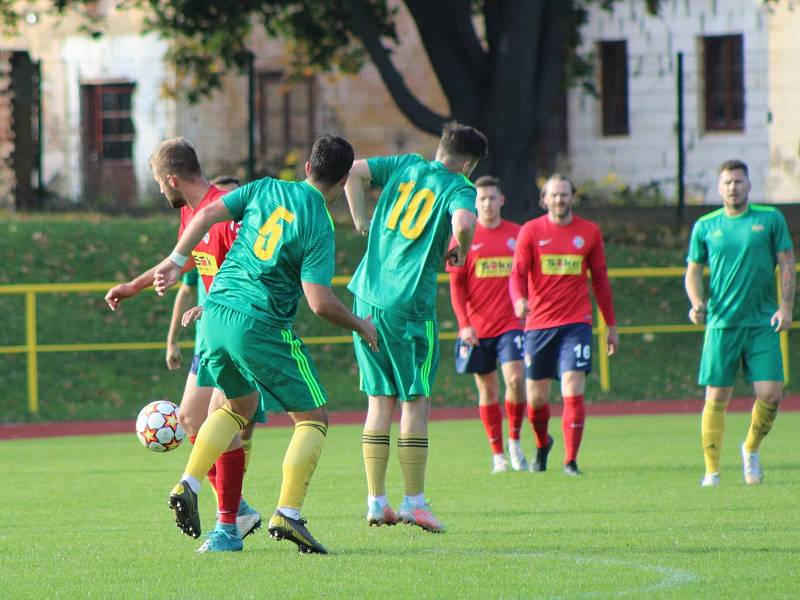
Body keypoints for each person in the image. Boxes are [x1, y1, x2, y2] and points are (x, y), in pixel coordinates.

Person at [152, 134, 378, 555]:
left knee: (238, 408)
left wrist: (175, 260)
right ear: (345, 177)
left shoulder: (265, 187)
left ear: (308, 165)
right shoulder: (319, 225)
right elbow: (319, 302)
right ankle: (287, 514)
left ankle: (190, 481)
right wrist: (360, 324)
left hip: (215, 314)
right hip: (259, 323)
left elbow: (203, 216)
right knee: (313, 419)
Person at [105, 141, 260, 553]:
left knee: (219, 422)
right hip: (212, 334)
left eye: (159, 183)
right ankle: (238, 507)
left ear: (172, 179)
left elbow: (256, 270)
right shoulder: (191, 214)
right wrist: (133, 287)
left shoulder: (227, 211)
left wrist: (217, 307)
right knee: (192, 420)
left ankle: (228, 528)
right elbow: (182, 260)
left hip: (239, 334)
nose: (159, 191)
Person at [345, 121, 488, 532]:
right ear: (466, 163)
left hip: (367, 297)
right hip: (409, 307)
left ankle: (376, 502)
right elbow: (462, 222)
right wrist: (460, 246)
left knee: (378, 401)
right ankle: (414, 502)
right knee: (414, 401)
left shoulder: (405, 164)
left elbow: (353, 170)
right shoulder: (459, 186)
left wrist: (361, 221)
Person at [685, 159, 795, 487]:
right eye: (728, 182)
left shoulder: (769, 219)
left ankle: (750, 448)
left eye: (739, 181)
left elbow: (787, 264)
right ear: (719, 188)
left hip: (762, 322)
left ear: (749, 184)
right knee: (716, 396)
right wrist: (696, 302)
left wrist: (786, 306)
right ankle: (712, 471)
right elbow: (692, 270)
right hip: (722, 324)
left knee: (771, 393)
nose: (733, 187)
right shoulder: (705, 226)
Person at [509, 174, 619, 476]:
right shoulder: (531, 231)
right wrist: (519, 300)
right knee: (537, 397)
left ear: (573, 197)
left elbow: (600, 281)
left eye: (564, 194)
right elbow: (516, 274)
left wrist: (611, 325)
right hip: (538, 326)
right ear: (544, 199)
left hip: (576, 323)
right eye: (553, 195)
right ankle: (543, 443)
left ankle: (570, 460)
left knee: (572, 386)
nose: (559, 200)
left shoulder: (590, 232)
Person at [165, 175, 260, 476]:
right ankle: (233, 502)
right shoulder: (201, 232)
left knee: (233, 423)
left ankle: (229, 504)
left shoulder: (244, 239)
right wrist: (172, 339)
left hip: (237, 336)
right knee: (195, 419)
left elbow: (251, 281)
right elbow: (184, 287)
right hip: (206, 340)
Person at [446, 175, 526, 474]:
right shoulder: (462, 238)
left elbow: (530, 276)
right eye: (482, 199)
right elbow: (456, 287)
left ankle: (515, 440)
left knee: (516, 380)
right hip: (478, 328)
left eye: (492, 198)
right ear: (475, 203)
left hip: (512, 325)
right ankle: (497, 455)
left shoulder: (518, 235)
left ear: (501, 200)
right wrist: (464, 324)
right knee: (488, 390)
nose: (488, 204)